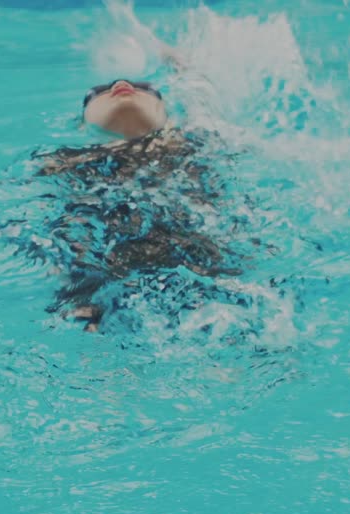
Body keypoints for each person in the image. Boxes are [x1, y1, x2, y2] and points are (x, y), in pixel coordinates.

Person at [30, 78, 245, 332]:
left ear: (168, 115)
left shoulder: (192, 142)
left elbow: (202, 95)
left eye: (146, 88)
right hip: (106, 268)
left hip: (193, 257)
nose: (121, 84)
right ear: (82, 123)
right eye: (97, 91)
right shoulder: (64, 161)